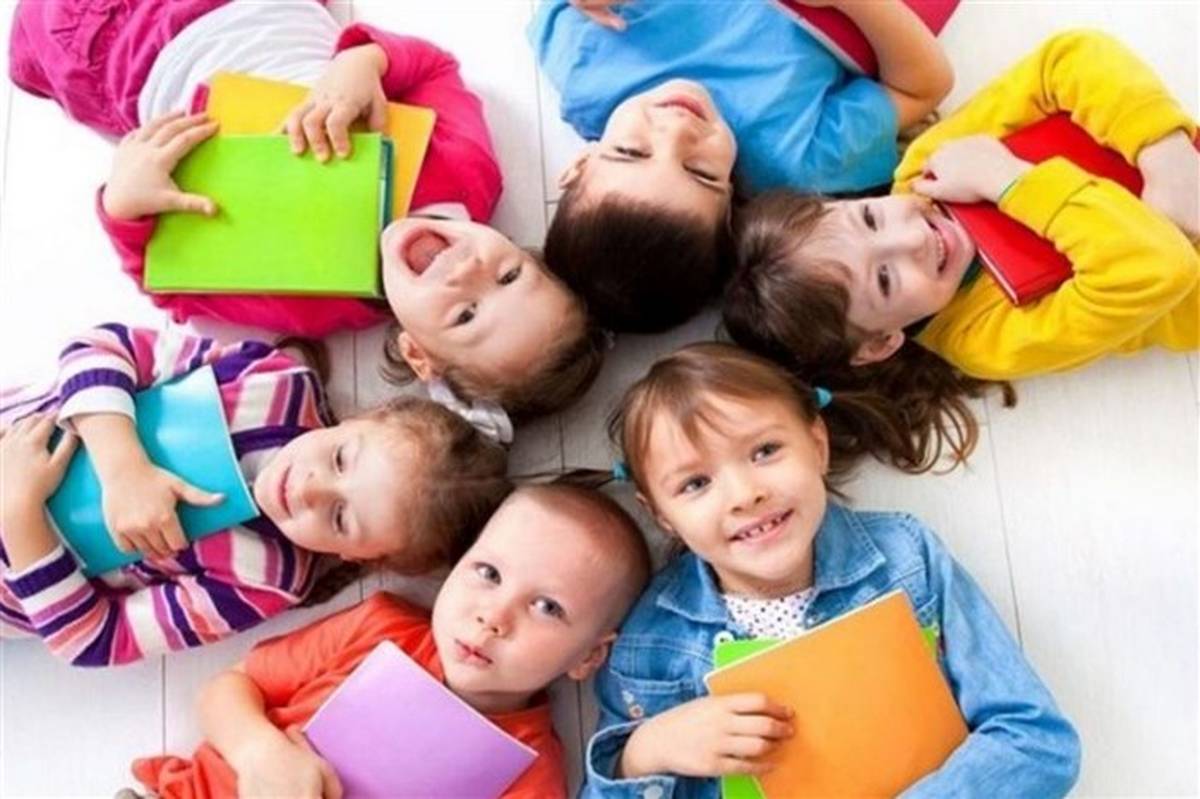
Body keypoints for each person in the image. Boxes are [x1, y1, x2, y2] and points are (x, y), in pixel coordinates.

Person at [10, 0, 606, 419]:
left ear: (416, 352)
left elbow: (172, 287)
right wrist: (364, 62)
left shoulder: (315, 302)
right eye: (509, 275)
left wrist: (125, 203)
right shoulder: (466, 170)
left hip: (125, 61)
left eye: (466, 315)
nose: (468, 272)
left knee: (32, 44)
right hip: (261, 10)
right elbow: (433, 67)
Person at [581, 342, 1080, 798]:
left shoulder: (905, 557)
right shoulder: (651, 644)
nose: (745, 495)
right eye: (695, 484)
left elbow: (1037, 742)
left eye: (765, 451)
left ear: (817, 444)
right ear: (662, 515)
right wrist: (642, 754)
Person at [723, 30, 1199, 466]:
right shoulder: (984, 338)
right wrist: (1007, 180)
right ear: (880, 343)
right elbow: (1159, 268)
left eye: (869, 217)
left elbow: (1070, 60)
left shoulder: (924, 172)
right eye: (885, 278)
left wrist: (1163, 152)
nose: (912, 236)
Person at [0, 323, 510, 666]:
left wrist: (19, 512)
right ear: (364, 419)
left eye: (340, 518)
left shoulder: (263, 578)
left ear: (359, 556)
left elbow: (96, 640)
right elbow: (101, 346)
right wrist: (123, 467)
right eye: (340, 459)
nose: (310, 489)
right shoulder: (272, 383)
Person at [124, 484, 652, 799]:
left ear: (589, 655)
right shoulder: (382, 626)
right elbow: (229, 687)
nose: (494, 616)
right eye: (488, 573)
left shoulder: (531, 771)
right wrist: (258, 751)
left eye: (547, 607)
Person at [530, 0, 954, 331]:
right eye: (700, 172)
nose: (677, 131)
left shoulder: (584, 76)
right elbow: (921, 89)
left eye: (630, 151)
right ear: (731, 206)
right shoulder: (794, 160)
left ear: (580, 163)